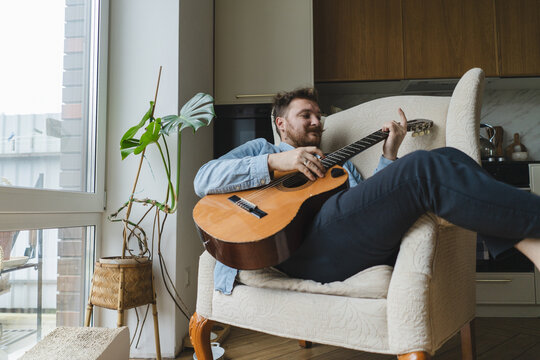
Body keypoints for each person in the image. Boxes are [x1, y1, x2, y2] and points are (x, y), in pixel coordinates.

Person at [194, 87, 540, 294]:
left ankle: (531, 243)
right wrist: (276, 163)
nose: (317, 121)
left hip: (340, 243)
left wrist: (390, 154)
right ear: (281, 123)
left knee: (445, 156)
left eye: (318, 115)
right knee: (423, 166)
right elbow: (204, 179)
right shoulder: (259, 149)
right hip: (286, 247)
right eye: (306, 115)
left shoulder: (337, 166)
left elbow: (372, 206)